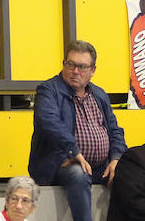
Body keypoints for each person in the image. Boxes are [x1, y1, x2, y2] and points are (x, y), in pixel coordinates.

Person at [27, 39, 125, 221]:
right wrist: (74, 151)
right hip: (58, 164)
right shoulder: (48, 90)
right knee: (78, 173)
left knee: (129, 173)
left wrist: (117, 158)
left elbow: (115, 130)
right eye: (71, 65)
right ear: (64, 64)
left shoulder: (100, 95)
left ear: (93, 70)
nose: (75, 71)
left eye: (82, 67)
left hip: (99, 167)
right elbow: (48, 122)